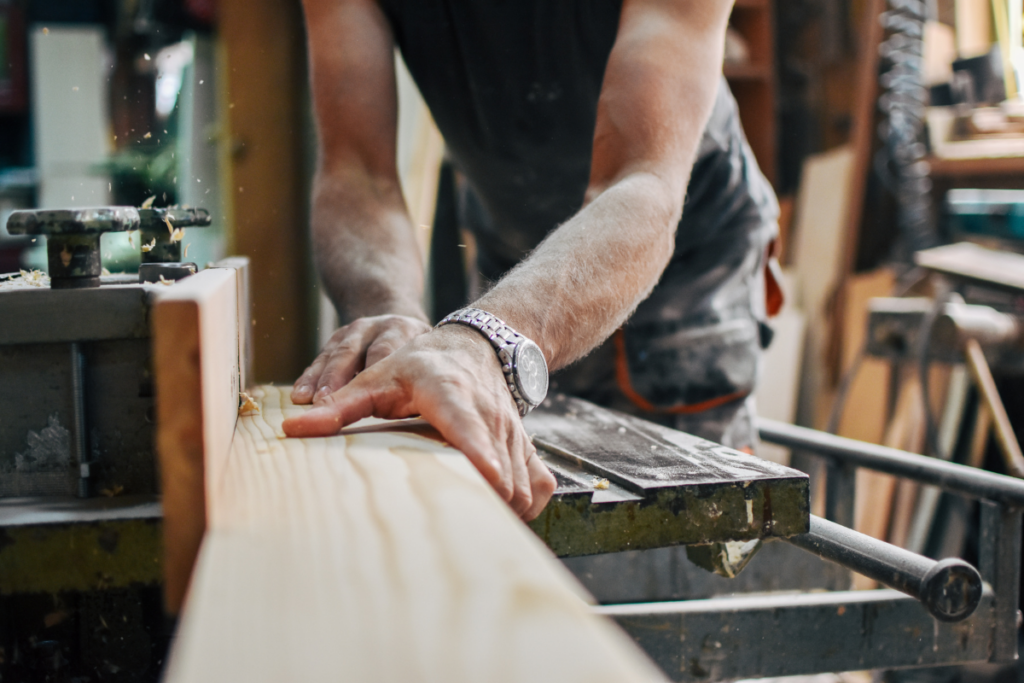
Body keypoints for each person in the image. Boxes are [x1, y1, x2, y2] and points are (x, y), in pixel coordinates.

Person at [282, 0, 779, 524]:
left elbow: (643, 180)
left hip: (685, 265)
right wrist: (390, 320)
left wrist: (485, 342)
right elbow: (358, 173)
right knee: (497, 497)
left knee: (682, 529)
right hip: (512, 259)